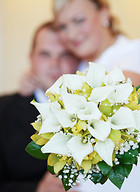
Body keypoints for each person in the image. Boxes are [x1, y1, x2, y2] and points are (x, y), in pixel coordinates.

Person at [52, 0, 140, 192]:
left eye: (79, 20)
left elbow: (111, 111)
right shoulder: (82, 68)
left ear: (104, 12)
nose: (71, 34)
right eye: (62, 27)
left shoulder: (132, 52)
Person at [0, 21, 80, 192]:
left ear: (78, 59)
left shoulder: (99, 107)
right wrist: (37, 189)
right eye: (45, 54)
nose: (55, 63)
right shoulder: (3, 110)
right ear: (32, 58)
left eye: (65, 54)